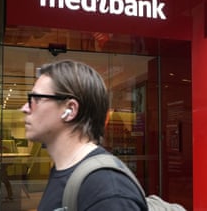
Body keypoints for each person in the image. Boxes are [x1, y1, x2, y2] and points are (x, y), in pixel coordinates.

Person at [21, 60, 147, 211]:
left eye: (36, 99)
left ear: (70, 110)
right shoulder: (64, 171)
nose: (25, 108)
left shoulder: (107, 190)